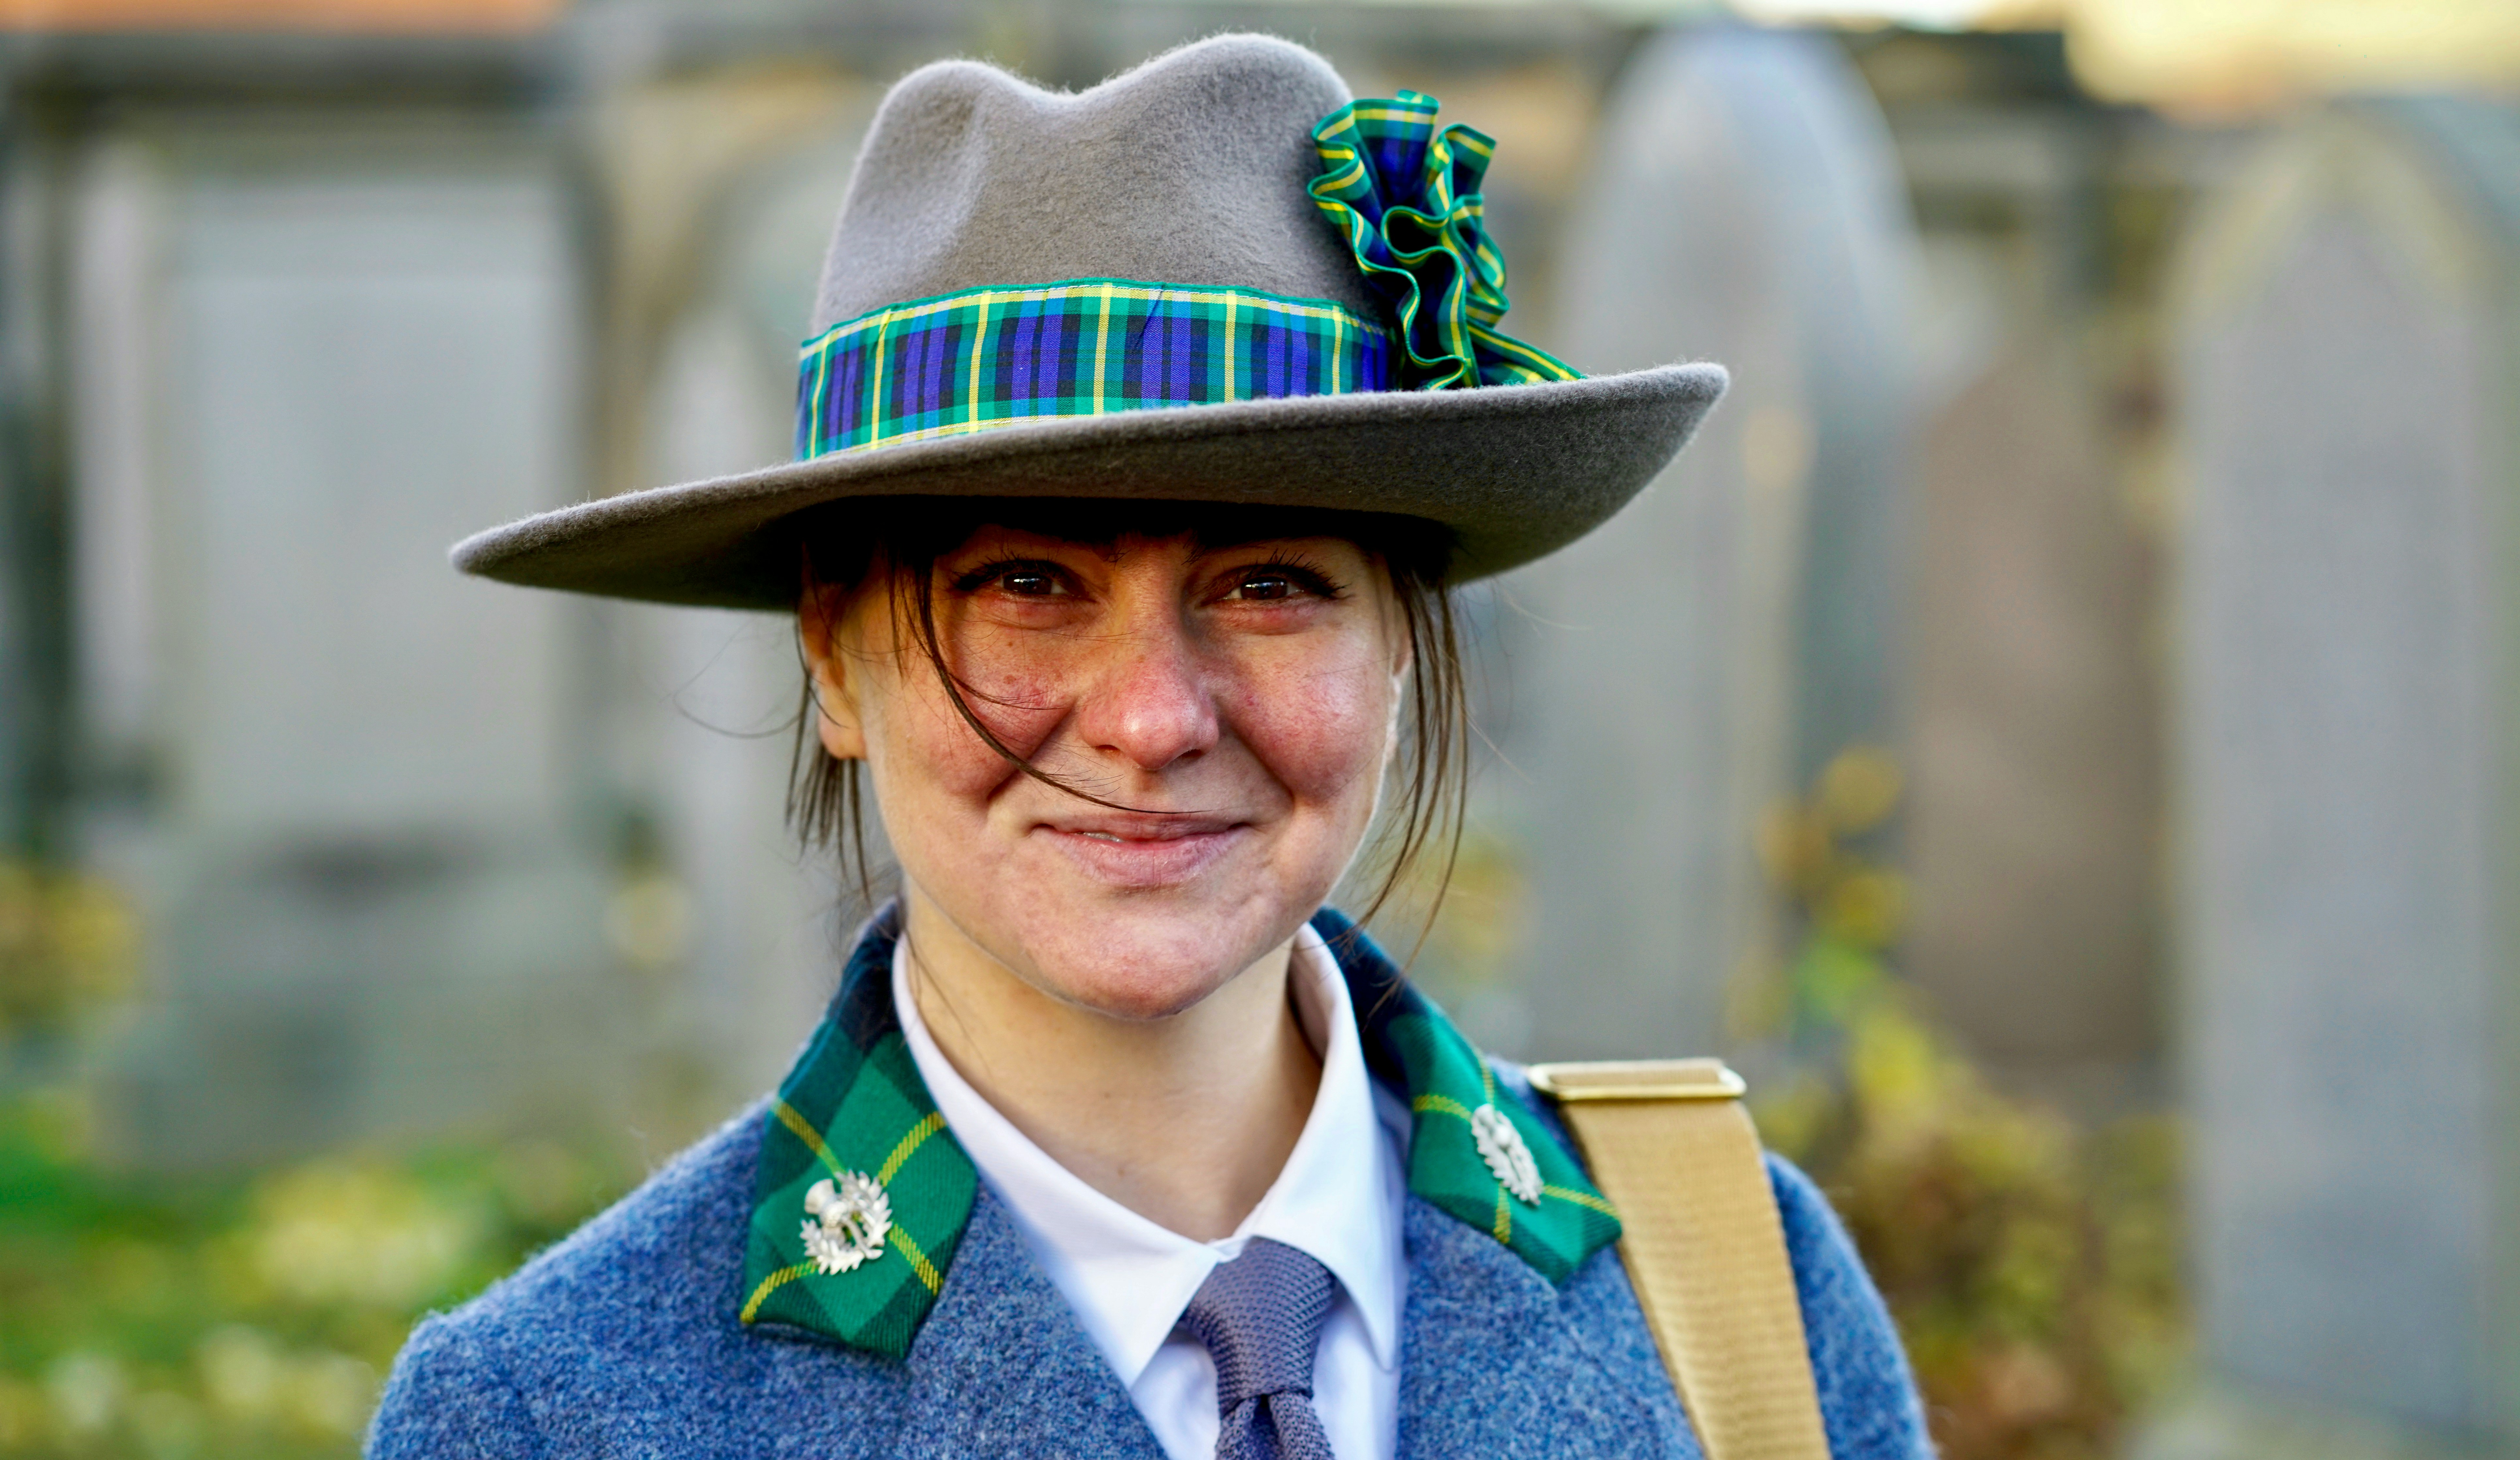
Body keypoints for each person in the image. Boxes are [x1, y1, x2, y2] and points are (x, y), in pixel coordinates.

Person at [368, 32, 1933, 1460]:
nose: (1150, 716)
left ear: (1402, 644)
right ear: (834, 661)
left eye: (1266, 586)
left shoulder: (1730, 1284)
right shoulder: (547, 1412)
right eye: (1025, 585)